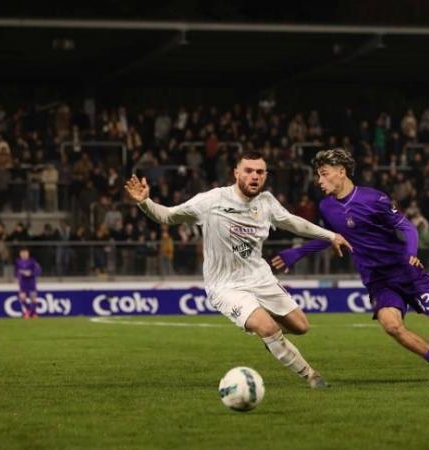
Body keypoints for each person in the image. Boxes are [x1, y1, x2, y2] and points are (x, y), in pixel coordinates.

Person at [272, 149, 429, 386]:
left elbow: (407, 228)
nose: (319, 180)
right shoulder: (326, 207)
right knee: (392, 326)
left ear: (341, 172)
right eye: (318, 175)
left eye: (324, 174)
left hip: (406, 272)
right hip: (378, 280)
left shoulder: (374, 198)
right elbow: (331, 237)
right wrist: (297, 253)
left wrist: (411, 254)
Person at [125, 151, 352, 388]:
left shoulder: (266, 202)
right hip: (225, 285)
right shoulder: (212, 201)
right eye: (248, 171)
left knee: (301, 327)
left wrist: (331, 236)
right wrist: (145, 203)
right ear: (236, 173)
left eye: (260, 172)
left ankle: (271, 338)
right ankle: (310, 375)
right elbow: (169, 216)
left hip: (260, 277)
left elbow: (295, 223)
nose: (254, 176)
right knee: (267, 326)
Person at [14, 248, 42, 319]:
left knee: (33, 298)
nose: (24, 255)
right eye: (22, 253)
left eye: (25, 253)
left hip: (31, 282)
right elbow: (16, 271)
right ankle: (31, 311)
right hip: (23, 282)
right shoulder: (17, 262)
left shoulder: (32, 261)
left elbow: (38, 271)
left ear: (28, 254)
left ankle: (31, 313)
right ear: (20, 254)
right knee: (22, 298)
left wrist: (30, 274)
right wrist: (18, 276)